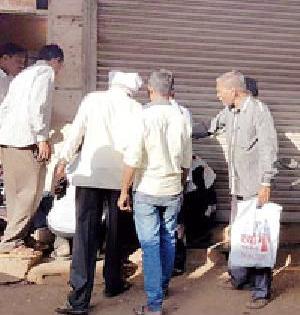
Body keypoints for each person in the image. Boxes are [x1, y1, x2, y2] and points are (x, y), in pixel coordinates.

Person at [54, 71, 143, 315]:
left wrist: (63, 160)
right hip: (119, 178)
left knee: (85, 236)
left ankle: (79, 299)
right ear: (132, 89)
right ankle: (113, 284)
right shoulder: (136, 108)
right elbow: (138, 146)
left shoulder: (92, 99)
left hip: (89, 175)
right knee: (116, 233)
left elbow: (76, 133)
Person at [118, 70, 192, 315]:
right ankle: (162, 286)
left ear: (150, 89)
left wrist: (123, 190)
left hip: (148, 188)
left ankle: (154, 304)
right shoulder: (182, 115)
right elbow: (185, 160)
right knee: (169, 238)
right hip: (172, 188)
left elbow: (133, 158)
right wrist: (179, 184)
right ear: (171, 90)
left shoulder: (143, 116)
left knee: (150, 244)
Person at [209, 71, 277, 309]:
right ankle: (239, 278)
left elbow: (268, 148)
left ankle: (261, 291)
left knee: (258, 239)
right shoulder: (230, 112)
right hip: (237, 186)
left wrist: (266, 183)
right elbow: (214, 125)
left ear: (234, 92)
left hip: (255, 187)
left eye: (220, 91)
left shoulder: (258, 111)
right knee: (240, 236)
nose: (217, 96)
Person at [0, 44, 64, 254]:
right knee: (32, 191)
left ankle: (22, 236)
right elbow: (38, 107)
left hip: (8, 140)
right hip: (25, 140)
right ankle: (11, 240)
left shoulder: (24, 75)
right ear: (56, 61)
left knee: (14, 194)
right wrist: (42, 138)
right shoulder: (45, 73)